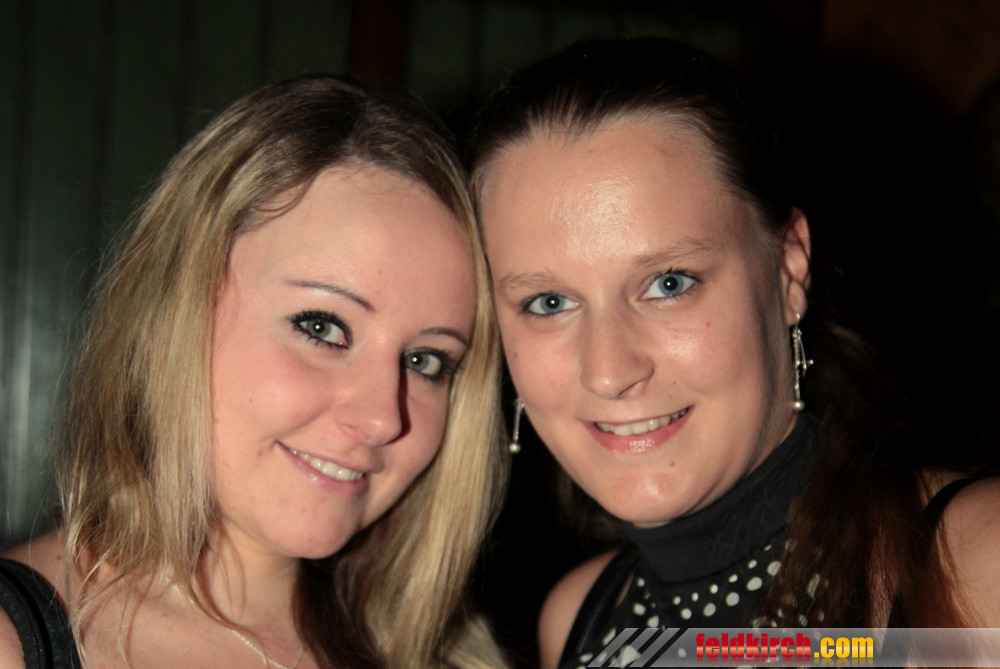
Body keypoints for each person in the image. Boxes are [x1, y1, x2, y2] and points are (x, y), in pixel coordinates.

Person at [469, 37, 1000, 668]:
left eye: (669, 283)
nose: (609, 372)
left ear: (788, 270)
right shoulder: (578, 621)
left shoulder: (976, 564)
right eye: (549, 302)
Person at [0, 74, 508, 669]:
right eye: (322, 327)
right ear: (175, 311)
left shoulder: (447, 653)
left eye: (426, 361)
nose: (380, 419)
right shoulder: (16, 641)